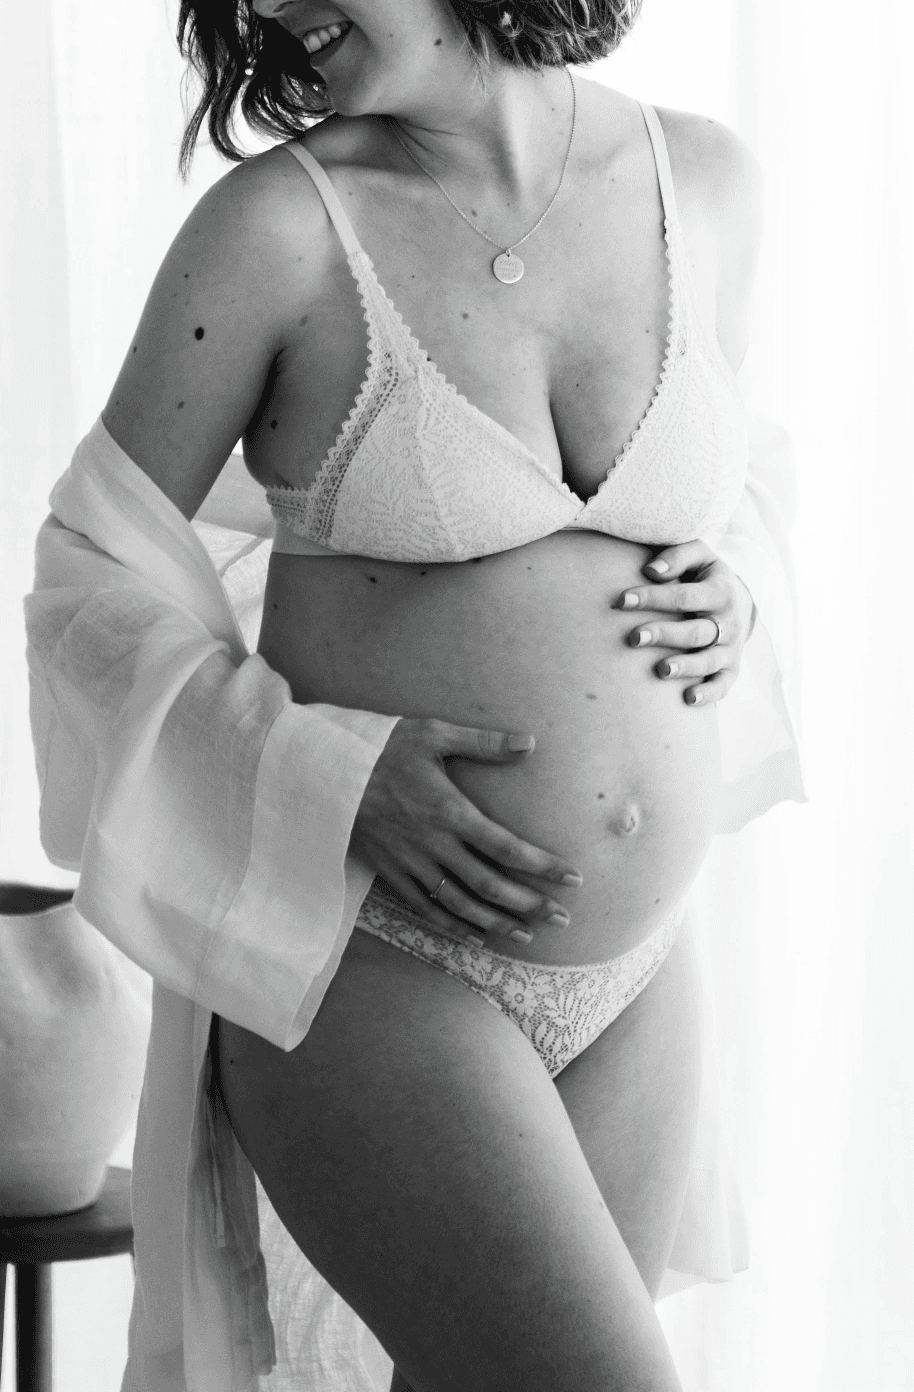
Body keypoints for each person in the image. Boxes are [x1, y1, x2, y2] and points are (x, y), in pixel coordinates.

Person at [24, 0, 804, 1387]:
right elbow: (91, 579)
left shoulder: (705, 182)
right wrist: (323, 774)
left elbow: (735, 470)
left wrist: (737, 581)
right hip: (378, 961)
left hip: (636, 973)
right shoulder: (280, 231)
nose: (268, 9)